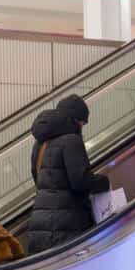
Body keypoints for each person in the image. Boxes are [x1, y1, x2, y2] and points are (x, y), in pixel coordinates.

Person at [22, 95, 108, 252]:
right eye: (83, 122)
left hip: (39, 225)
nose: (83, 127)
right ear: (75, 119)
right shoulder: (72, 140)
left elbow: (38, 178)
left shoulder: (40, 143)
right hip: (66, 226)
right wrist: (104, 181)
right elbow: (80, 181)